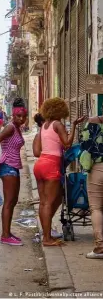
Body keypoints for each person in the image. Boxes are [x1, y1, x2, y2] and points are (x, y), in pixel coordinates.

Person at [33, 98, 84, 246]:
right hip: (51, 165)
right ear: (60, 110)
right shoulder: (58, 124)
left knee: (43, 203)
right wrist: (74, 126)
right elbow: (67, 144)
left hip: (40, 164)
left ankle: (46, 236)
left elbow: (42, 148)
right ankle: (47, 238)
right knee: (49, 203)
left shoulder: (44, 126)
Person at [0, 98, 27, 246]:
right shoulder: (10, 127)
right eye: (18, 116)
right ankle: (5, 235)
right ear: (13, 115)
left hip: (14, 167)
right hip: (7, 166)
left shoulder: (17, 128)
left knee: (13, 201)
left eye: (23, 116)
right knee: (9, 202)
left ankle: (8, 232)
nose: (21, 118)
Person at [79, 107, 103, 258]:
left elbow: (85, 146)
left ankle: (100, 247)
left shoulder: (93, 122)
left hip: (98, 169)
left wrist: (86, 166)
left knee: (96, 208)